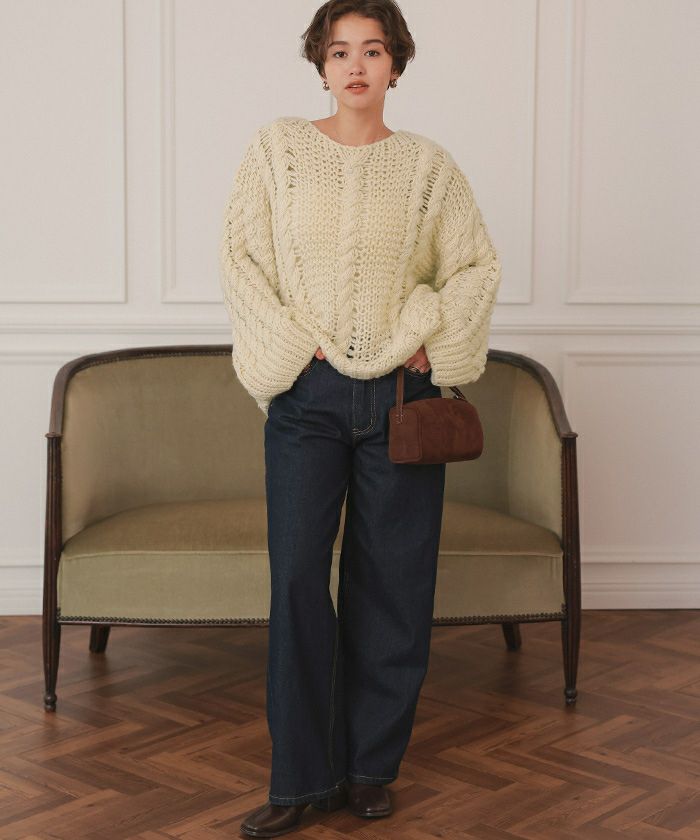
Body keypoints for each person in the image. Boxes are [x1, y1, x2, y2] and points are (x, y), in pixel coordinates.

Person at [219, 1, 502, 835]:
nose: (355, 66)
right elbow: (242, 260)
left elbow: (475, 267)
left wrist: (432, 345)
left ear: (396, 66)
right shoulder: (276, 150)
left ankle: (372, 768)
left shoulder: (429, 168)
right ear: (319, 64)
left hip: (401, 403)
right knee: (298, 581)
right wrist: (295, 348)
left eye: (372, 51)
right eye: (339, 51)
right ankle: (300, 780)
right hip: (306, 399)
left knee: (394, 586)